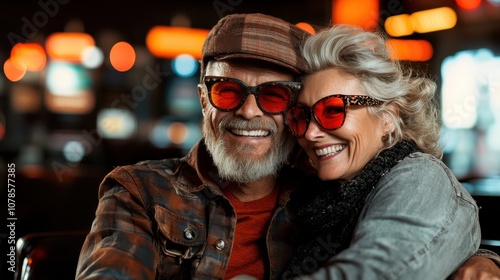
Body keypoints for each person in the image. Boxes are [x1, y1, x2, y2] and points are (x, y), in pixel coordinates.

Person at [75, 13, 500, 280]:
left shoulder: (325, 191)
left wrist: (482, 258)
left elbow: (415, 233)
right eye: (226, 91)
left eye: (275, 96)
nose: (248, 111)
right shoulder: (141, 190)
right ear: (203, 98)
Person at [280, 24, 500, 279]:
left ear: (387, 117)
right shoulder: (318, 198)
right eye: (302, 116)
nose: (310, 133)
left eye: (333, 110)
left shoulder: (421, 176)